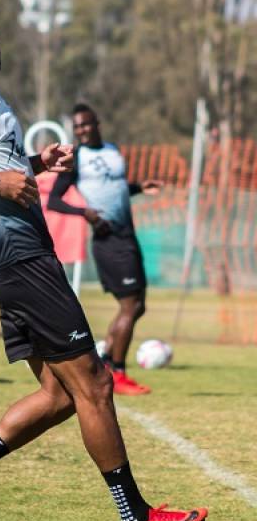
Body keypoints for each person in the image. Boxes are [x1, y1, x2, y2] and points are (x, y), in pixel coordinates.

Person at [0, 0, 207, 521]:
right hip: (18, 256)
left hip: (14, 254)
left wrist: (34, 166)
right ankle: (136, 517)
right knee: (93, 381)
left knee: (60, 395)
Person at [48, 104, 161, 396]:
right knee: (130, 306)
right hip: (107, 238)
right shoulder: (78, 158)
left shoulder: (112, 150)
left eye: (86, 124)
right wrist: (86, 212)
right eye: (77, 127)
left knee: (139, 306)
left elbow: (116, 187)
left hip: (127, 235)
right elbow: (55, 201)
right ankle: (117, 372)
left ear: (97, 123)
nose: (82, 130)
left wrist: (137, 187)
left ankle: (108, 360)